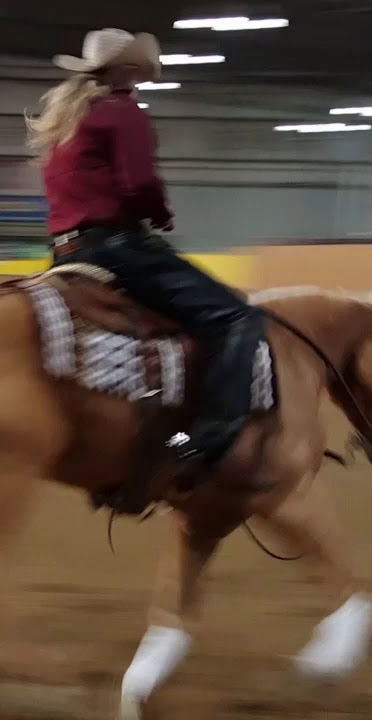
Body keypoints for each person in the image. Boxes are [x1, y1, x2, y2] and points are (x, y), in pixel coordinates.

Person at [26, 27, 266, 469]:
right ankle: (208, 436)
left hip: (66, 251)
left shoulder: (68, 119)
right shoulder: (122, 112)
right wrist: (160, 213)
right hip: (116, 247)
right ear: (129, 69)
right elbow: (138, 183)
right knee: (236, 318)